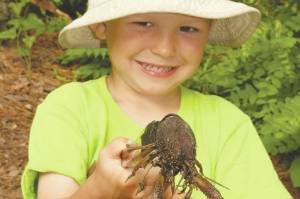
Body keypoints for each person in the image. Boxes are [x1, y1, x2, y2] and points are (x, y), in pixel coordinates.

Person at [21, 0, 292, 198]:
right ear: (102, 27)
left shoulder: (229, 123)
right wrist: (101, 190)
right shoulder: (69, 108)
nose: (164, 48)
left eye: (188, 28)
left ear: (209, 30)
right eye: (144, 23)